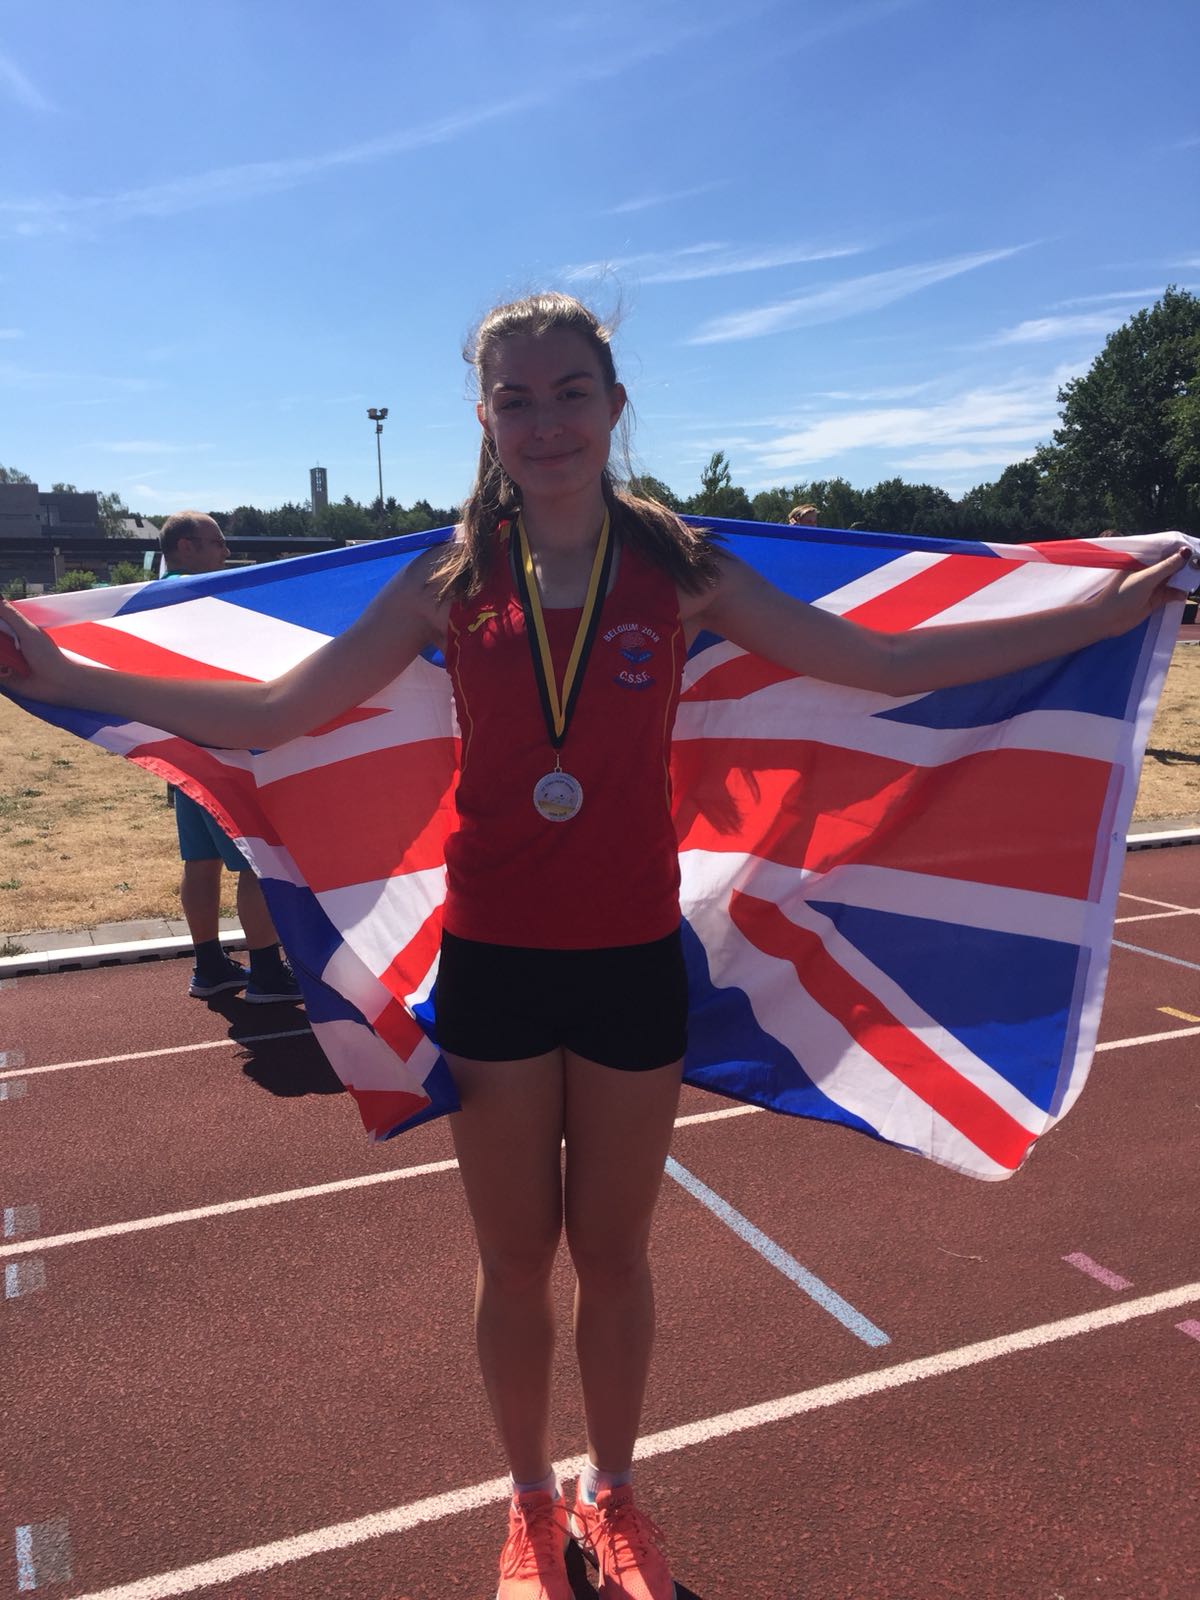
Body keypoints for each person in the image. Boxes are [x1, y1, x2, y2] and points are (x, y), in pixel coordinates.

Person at [0, 294, 1189, 1600]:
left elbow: (881, 663)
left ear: (614, 406)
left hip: (631, 962)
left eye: (571, 392)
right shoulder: (451, 580)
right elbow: (282, 710)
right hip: (495, 964)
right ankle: (528, 1505)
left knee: (614, 1258)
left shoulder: (679, 569)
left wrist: (1098, 621)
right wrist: (70, 681)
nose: (547, 422)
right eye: (517, 400)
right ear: (486, 421)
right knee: (516, 1262)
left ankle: (613, 1493)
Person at [158, 511, 300, 1003]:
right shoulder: (204, 600)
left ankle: (210, 965)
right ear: (185, 546)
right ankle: (266, 973)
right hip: (222, 751)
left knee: (201, 861)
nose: (226, 551)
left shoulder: (151, 602)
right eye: (217, 542)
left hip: (182, 751)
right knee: (257, 862)